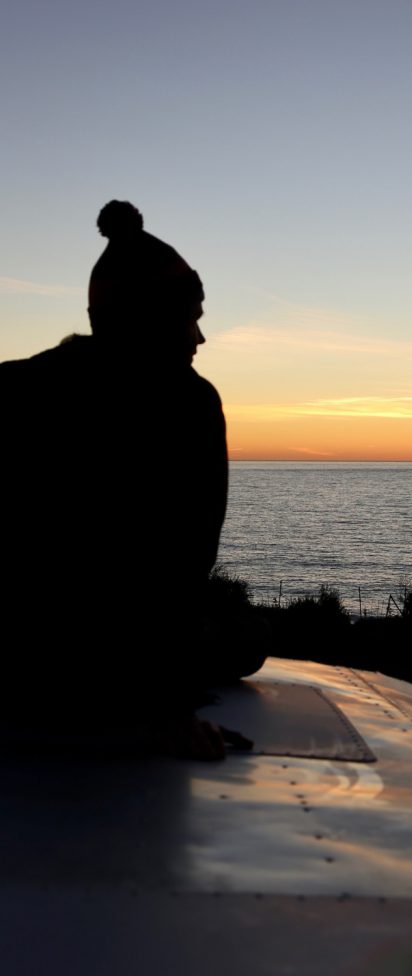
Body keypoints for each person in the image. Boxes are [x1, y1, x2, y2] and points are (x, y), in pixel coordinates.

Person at [0, 201, 231, 758]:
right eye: (189, 317)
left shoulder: (15, 388)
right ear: (150, 320)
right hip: (105, 680)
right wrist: (169, 711)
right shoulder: (188, 406)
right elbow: (179, 569)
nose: (199, 337)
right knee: (243, 640)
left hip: (16, 664)